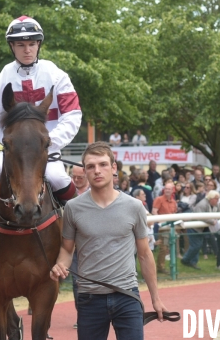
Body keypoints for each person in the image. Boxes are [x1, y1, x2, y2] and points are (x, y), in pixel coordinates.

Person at [0, 16, 82, 239]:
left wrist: (49, 142)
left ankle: (81, 225)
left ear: (39, 45)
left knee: (58, 178)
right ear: (12, 46)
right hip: (12, 152)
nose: (27, 50)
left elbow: (73, 115)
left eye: (32, 44)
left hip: (46, 149)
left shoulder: (57, 76)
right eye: (20, 45)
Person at [50, 142, 168, 340]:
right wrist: (60, 265)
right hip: (89, 298)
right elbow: (67, 249)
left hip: (127, 295)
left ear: (114, 168)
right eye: (91, 166)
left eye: (103, 164)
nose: (97, 171)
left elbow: (145, 254)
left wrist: (156, 299)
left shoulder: (134, 207)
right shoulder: (72, 208)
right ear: (85, 171)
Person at [180, 191, 220, 270]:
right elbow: (200, 216)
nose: (217, 201)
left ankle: (193, 262)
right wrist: (212, 221)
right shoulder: (202, 204)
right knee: (196, 245)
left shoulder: (216, 205)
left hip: (202, 229)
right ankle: (185, 260)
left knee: (198, 245)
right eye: (216, 199)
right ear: (211, 198)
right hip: (193, 227)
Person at [152, 182, 177, 274]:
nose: (167, 190)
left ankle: (169, 266)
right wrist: (161, 222)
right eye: (166, 188)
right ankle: (160, 267)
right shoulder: (159, 199)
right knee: (163, 247)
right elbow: (154, 211)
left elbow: (174, 213)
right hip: (162, 227)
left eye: (169, 189)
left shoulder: (174, 202)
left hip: (170, 227)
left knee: (169, 247)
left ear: (172, 190)